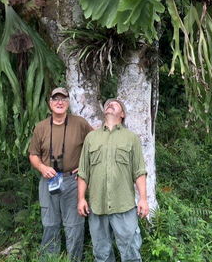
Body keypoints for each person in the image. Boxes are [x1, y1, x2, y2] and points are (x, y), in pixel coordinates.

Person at [77, 98, 149, 262]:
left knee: (131, 255)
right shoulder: (91, 138)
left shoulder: (131, 138)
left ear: (122, 114)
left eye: (115, 104)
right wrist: (81, 199)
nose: (110, 104)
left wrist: (143, 199)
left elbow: (139, 172)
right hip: (97, 206)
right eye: (108, 103)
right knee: (101, 256)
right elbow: (83, 172)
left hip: (123, 206)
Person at [28, 87, 93, 262]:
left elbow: (95, 145)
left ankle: (74, 260)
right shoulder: (41, 127)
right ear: (50, 104)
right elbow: (33, 155)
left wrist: (84, 166)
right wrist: (42, 168)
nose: (59, 102)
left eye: (63, 99)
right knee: (50, 224)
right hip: (48, 180)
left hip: (73, 181)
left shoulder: (80, 123)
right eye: (55, 99)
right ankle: (50, 259)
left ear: (68, 103)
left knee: (74, 226)